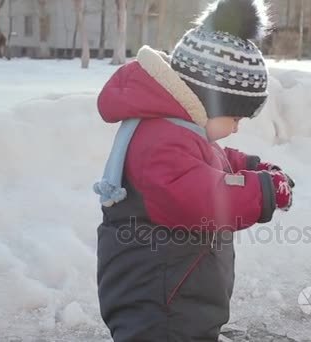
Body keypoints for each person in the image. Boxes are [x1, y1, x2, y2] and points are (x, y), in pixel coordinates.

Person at [93, 0, 294, 340]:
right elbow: (200, 196)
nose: (236, 128)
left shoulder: (175, 131)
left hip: (179, 291)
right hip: (160, 301)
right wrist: (262, 191)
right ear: (208, 101)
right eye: (235, 117)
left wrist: (248, 166)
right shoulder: (161, 139)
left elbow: (206, 160)